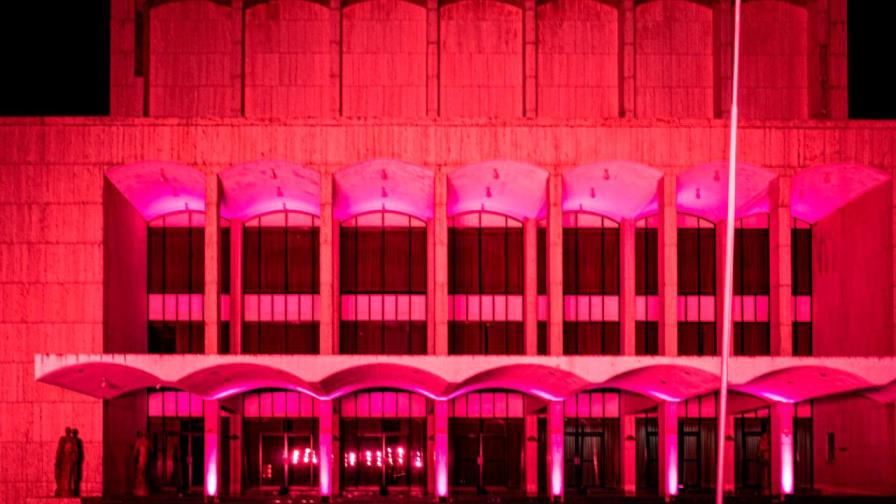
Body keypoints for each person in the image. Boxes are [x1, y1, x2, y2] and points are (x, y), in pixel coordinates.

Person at [54, 427, 77, 497]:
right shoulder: (62, 439)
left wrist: (73, 458)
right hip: (63, 459)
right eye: (66, 431)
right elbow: (59, 450)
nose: (67, 433)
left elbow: (75, 452)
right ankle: (62, 488)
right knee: (61, 474)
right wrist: (57, 459)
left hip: (69, 460)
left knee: (69, 475)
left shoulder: (73, 440)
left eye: (68, 431)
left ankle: (68, 488)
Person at [133, 430, 152, 497]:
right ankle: (142, 490)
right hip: (145, 461)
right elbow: (151, 450)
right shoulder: (146, 442)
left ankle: (140, 490)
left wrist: (135, 459)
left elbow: (135, 452)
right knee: (143, 475)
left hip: (141, 460)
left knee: (140, 475)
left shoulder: (139, 442)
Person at [71, 428, 84, 497]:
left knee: (77, 477)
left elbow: (80, 452)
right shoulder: (71, 441)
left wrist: (80, 460)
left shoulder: (78, 441)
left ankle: (76, 491)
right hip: (71, 462)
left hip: (76, 462)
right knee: (72, 477)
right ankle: (73, 491)